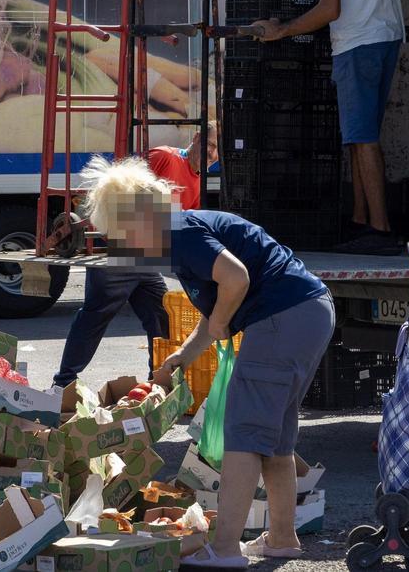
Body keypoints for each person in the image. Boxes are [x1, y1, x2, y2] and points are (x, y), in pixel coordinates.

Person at [79, 156, 334, 569]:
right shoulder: (183, 230)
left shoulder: (177, 234)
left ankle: (226, 548)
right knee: (275, 437)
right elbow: (219, 306)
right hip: (306, 314)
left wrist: (217, 322)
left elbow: (236, 280)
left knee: (245, 433)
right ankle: (283, 538)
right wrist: (184, 355)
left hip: (282, 319)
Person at [253, 0, 406, 256]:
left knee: (363, 137)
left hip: (358, 44)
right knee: (358, 135)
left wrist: (282, 30)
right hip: (388, 37)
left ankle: (381, 230)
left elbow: (329, 8)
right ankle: (360, 221)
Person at [51, 122, 219, 388]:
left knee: (160, 316)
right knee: (96, 316)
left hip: (146, 258)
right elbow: (119, 188)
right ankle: (63, 383)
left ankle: (158, 381)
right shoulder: (165, 156)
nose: (212, 154)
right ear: (196, 138)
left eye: (217, 150)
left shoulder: (197, 180)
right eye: (210, 145)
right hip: (121, 251)